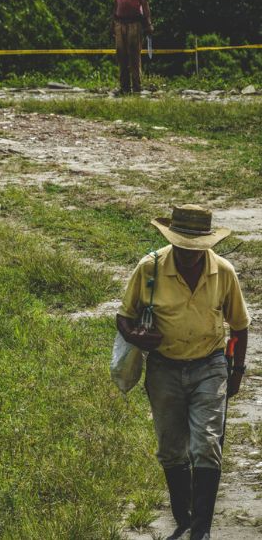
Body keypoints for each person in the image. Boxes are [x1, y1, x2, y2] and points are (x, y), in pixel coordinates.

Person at [117, 205, 249, 540]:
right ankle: (184, 517)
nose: (189, 256)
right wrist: (137, 336)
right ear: (171, 241)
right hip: (164, 367)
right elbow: (124, 316)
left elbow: (240, 326)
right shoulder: (150, 269)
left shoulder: (223, 271)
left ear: (207, 244)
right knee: (171, 448)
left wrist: (235, 373)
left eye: (196, 249)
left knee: (206, 445)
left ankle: (200, 531)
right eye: (182, 247)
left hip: (210, 365)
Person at [111, 0, 152, 95]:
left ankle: (137, 87)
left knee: (134, 56)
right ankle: (124, 87)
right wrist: (113, 22)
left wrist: (148, 24)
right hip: (120, 23)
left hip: (134, 23)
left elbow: (145, 5)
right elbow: (116, 4)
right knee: (121, 56)